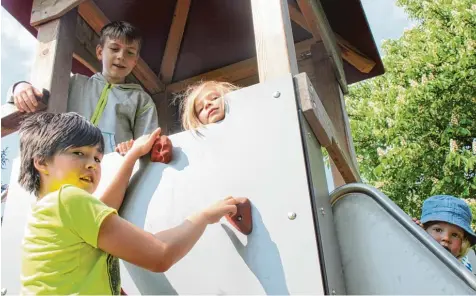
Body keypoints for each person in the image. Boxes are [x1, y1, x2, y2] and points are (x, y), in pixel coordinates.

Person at [19, 112, 240, 294]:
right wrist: (204, 217)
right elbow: (160, 255)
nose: (92, 165)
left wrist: (133, 156)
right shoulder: (68, 199)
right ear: (41, 161)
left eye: (97, 158)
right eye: (78, 153)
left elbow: (105, 210)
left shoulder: (48, 210)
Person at [8, 21, 162, 154]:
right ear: (100, 52)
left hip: (110, 169)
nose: (121, 56)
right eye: (115, 49)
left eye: (129, 53)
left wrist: (132, 149)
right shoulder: (74, 83)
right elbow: (38, 91)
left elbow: (147, 140)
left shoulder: (141, 100)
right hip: (65, 159)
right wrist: (19, 87)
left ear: (135, 61)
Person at [413, 195, 476, 271]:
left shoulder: (463, 271)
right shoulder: (413, 252)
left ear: (462, 245)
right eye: (438, 230)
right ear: (424, 230)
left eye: (455, 235)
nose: (446, 238)